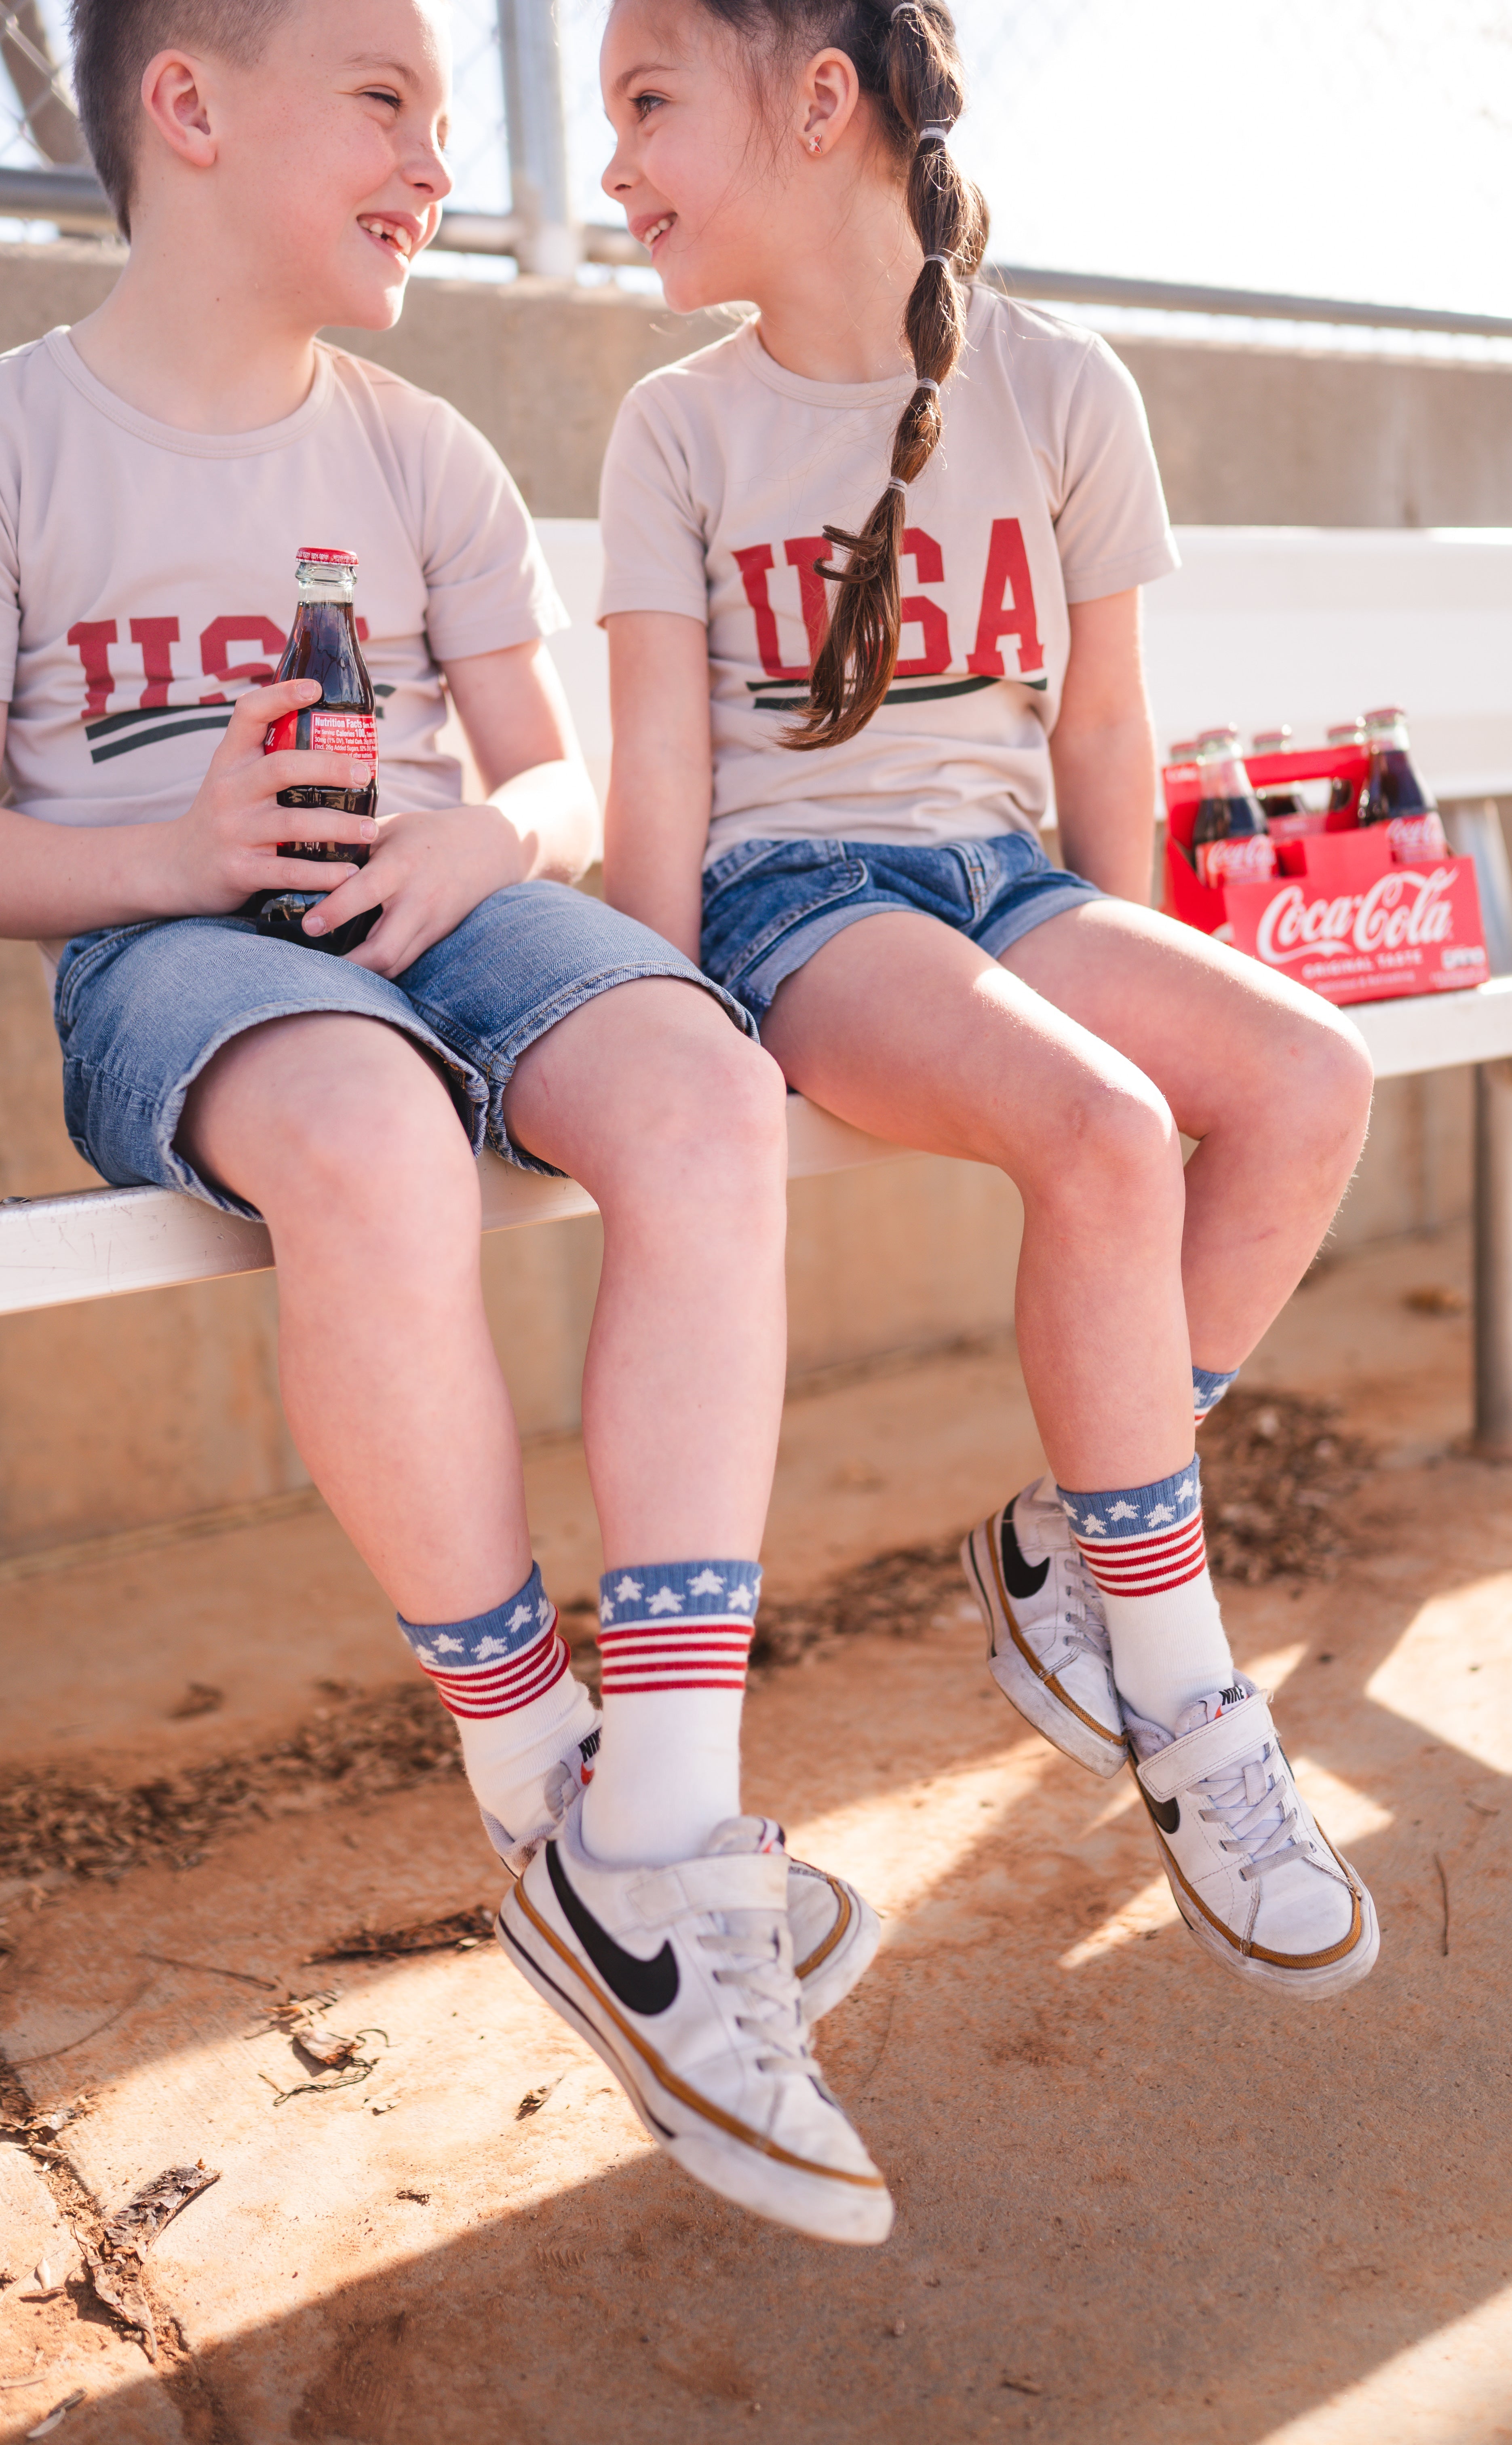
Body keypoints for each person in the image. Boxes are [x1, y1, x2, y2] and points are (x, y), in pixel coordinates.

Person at [1, 0, 892, 2246]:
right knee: (377, 1142)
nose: (441, 156)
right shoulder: (23, 445)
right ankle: (539, 1781)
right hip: (181, 956)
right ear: (188, 106)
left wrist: (484, 848)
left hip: (440, 911)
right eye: (387, 97)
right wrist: (171, 858)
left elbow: (545, 770)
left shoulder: (418, 449)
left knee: (699, 1072)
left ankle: (661, 1825)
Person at [597, 0, 1382, 2002]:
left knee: (1305, 1081)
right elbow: (660, 783)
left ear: (820, 101)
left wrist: (1124, 970)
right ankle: (1187, 1701)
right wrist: (649, 1013)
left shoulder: (1057, 385)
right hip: (798, 908)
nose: (616, 165)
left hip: (1012, 889)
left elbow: (1103, 724)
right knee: (1106, 1133)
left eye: (649, 104)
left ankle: (1071, 1540)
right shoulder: (675, 427)